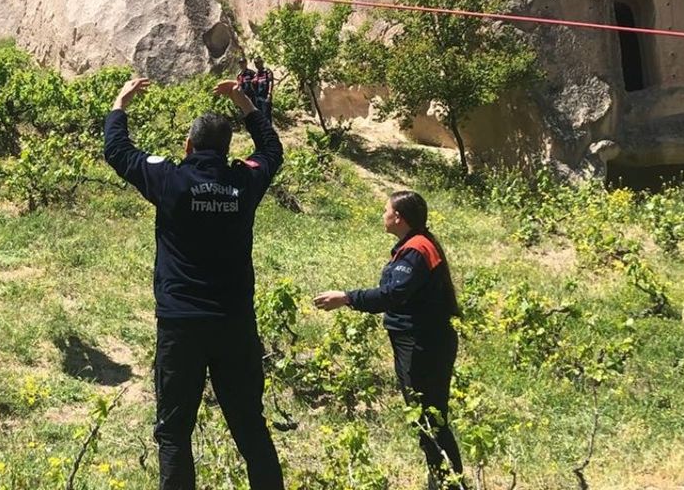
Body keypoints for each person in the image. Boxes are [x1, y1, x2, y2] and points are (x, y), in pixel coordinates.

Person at [103, 77, 285, 490]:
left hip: (181, 325)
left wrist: (120, 105)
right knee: (250, 427)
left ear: (188, 145)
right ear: (227, 150)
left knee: (173, 432)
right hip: (234, 324)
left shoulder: (170, 179)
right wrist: (247, 105)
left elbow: (117, 150)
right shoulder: (245, 182)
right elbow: (272, 151)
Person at [313, 191, 466, 490]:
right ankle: (441, 480)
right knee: (426, 417)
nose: (382, 214)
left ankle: (448, 484)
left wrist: (346, 298)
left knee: (429, 418)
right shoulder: (416, 245)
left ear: (398, 217)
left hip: (423, 344)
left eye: (386, 210)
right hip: (421, 341)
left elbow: (393, 294)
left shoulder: (417, 250)